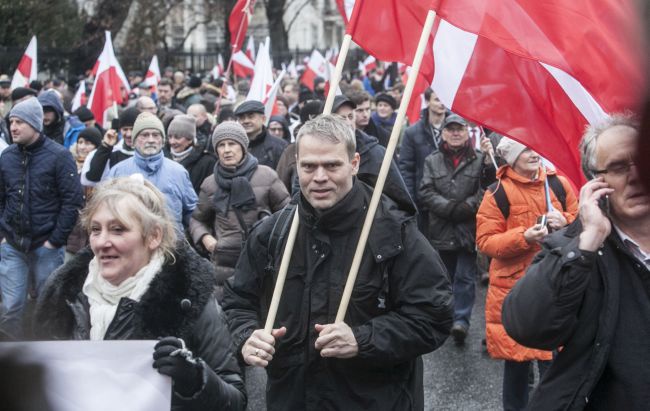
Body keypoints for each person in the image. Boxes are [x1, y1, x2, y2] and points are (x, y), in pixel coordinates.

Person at [222, 115, 453, 410]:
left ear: (354, 163)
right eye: (309, 166)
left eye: (332, 165)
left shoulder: (393, 233)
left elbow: (433, 315)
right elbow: (237, 300)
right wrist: (246, 335)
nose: (319, 177)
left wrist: (363, 339)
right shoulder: (273, 233)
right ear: (297, 165)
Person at [33, 176, 246, 411]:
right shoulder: (63, 293)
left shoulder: (189, 299)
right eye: (95, 229)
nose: (102, 242)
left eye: (118, 230)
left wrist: (195, 380)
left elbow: (235, 399)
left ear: (153, 236)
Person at [502, 115, 649, 410]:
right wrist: (588, 241)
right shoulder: (575, 248)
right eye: (619, 168)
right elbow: (527, 326)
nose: (637, 176)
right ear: (597, 182)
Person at [476, 137, 578, 410]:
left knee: (554, 366)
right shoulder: (497, 192)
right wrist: (525, 237)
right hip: (515, 289)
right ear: (512, 158)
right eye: (526, 150)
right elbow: (486, 242)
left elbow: (586, 225)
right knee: (517, 367)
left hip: (556, 284)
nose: (534, 154)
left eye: (536, 148)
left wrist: (566, 222)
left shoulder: (558, 184)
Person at [0, 97, 84, 339]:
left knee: (47, 308)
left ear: (35, 124)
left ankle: (44, 358)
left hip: (47, 244)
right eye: (11, 121)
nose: (13, 127)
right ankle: (9, 364)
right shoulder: (7, 157)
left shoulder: (59, 156)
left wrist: (55, 240)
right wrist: (3, 237)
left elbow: (72, 201)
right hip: (13, 245)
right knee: (11, 308)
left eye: (19, 122)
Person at [190, 122, 289, 294]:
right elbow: (197, 219)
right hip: (224, 268)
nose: (227, 150)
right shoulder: (210, 183)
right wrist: (206, 239)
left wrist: (274, 240)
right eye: (221, 145)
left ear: (243, 146)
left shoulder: (267, 175)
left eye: (232, 143)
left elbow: (288, 213)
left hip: (263, 263)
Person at [419, 114, 486, 345]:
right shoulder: (432, 160)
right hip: (441, 228)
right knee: (445, 277)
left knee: (465, 276)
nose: (456, 133)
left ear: (468, 132)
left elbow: (486, 189)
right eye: (451, 129)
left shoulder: (480, 159)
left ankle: (461, 321)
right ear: (444, 133)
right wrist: (449, 208)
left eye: (460, 129)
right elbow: (425, 191)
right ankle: (446, 316)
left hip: (469, 228)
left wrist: (467, 207)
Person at [107, 112, 197, 230]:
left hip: (172, 245)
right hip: (131, 245)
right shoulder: (118, 172)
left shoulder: (179, 172)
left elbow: (192, 212)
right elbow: (108, 210)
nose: (151, 140)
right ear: (134, 141)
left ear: (163, 140)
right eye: (144, 135)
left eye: (156, 135)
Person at [399, 88, 447, 232]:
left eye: (444, 99)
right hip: (424, 202)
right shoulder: (412, 133)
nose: (441, 104)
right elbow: (406, 169)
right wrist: (411, 201)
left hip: (451, 202)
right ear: (427, 102)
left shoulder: (457, 129)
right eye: (437, 99)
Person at [81, 106, 140, 187]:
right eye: (125, 129)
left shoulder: (150, 152)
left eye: (132, 129)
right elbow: (91, 178)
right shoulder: (112, 151)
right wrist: (106, 147)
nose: (129, 134)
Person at [166, 114, 216, 195]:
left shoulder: (207, 162)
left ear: (190, 139)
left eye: (177, 137)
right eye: (170, 137)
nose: (172, 141)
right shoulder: (163, 157)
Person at [234, 100, 288, 170]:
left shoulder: (280, 146)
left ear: (263, 119)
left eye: (251, 117)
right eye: (242, 118)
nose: (246, 121)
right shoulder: (233, 145)